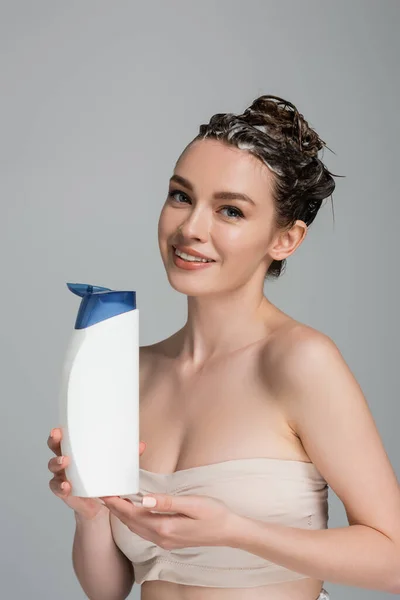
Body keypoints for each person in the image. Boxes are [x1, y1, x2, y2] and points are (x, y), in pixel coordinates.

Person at [48, 95, 400, 600]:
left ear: (286, 240)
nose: (191, 228)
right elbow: (109, 590)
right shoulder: (134, 370)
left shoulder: (300, 361)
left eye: (230, 210)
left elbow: (393, 563)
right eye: (181, 196)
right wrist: (90, 512)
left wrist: (238, 532)